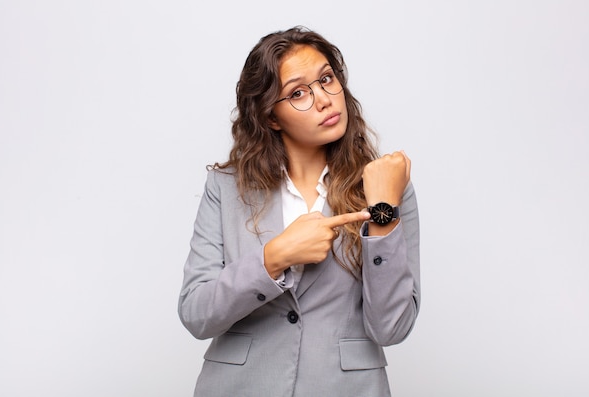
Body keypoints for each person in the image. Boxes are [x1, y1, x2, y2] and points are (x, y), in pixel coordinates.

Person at [178, 26, 420, 397]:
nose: (324, 99)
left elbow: (391, 327)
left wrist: (384, 211)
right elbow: (196, 312)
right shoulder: (225, 187)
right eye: (298, 93)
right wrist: (276, 257)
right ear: (271, 117)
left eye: (326, 79)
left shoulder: (385, 185)